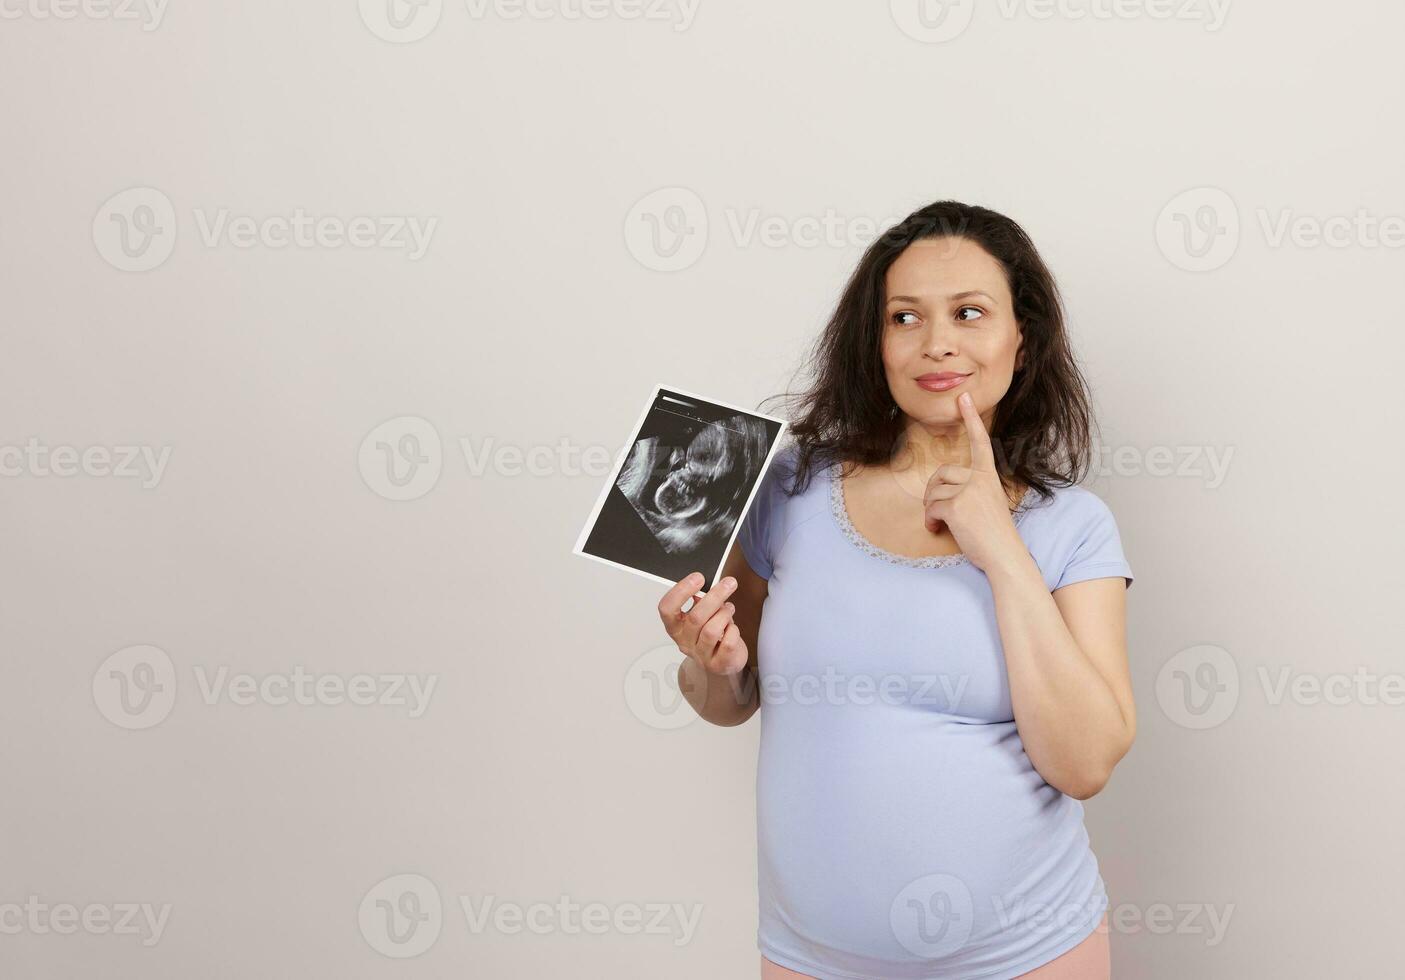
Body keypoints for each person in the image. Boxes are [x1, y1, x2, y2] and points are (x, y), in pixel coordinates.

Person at [657, 201, 1134, 979]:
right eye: (903, 317)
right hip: (811, 958)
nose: (936, 342)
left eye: (969, 313)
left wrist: (1000, 550)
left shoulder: (1071, 527)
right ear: (872, 343)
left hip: (1023, 956)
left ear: (1024, 336)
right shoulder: (784, 490)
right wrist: (707, 662)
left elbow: (1083, 763)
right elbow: (727, 700)